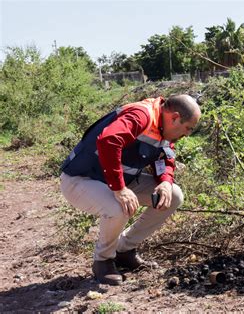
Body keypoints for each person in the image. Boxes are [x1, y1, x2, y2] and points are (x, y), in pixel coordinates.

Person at [60, 95, 201, 285]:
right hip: (81, 179)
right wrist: (120, 189)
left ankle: (124, 251)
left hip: (117, 180)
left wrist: (166, 181)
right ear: (175, 118)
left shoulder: (163, 128)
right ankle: (103, 261)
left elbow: (165, 156)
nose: (187, 135)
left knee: (173, 196)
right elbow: (109, 141)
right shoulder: (142, 115)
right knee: (118, 208)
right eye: (188, 129)